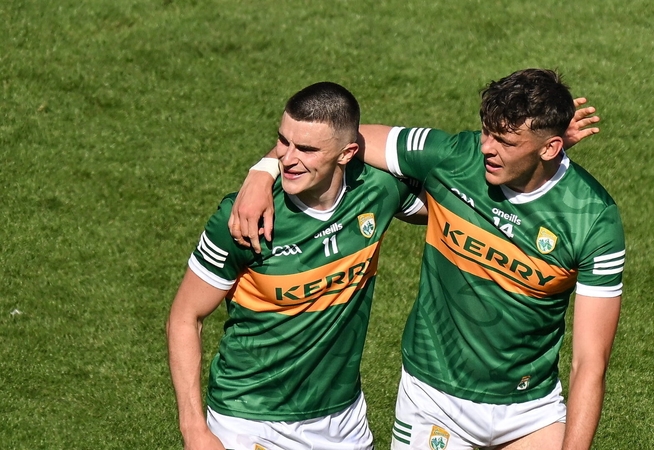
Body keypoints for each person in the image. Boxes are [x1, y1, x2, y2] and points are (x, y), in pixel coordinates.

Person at [230, 68, 623, 450]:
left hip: (529, 410)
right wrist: (262, 171)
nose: (486, 147)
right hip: (435, 399)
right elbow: (333, 138)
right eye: (487, 132)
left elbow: (589, 363)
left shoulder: (593, 219)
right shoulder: (451, 156)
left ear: (552, 147)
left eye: (505, 141)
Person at [167, 81, 425, 450]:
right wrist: (194, 431)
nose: (287, 158)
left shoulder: (378, 190)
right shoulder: (245, 217)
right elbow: (184, 317)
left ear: (347, 153)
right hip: (251, 417)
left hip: (343, 420)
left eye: (306, 149)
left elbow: (453, 208)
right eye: (282, 142)